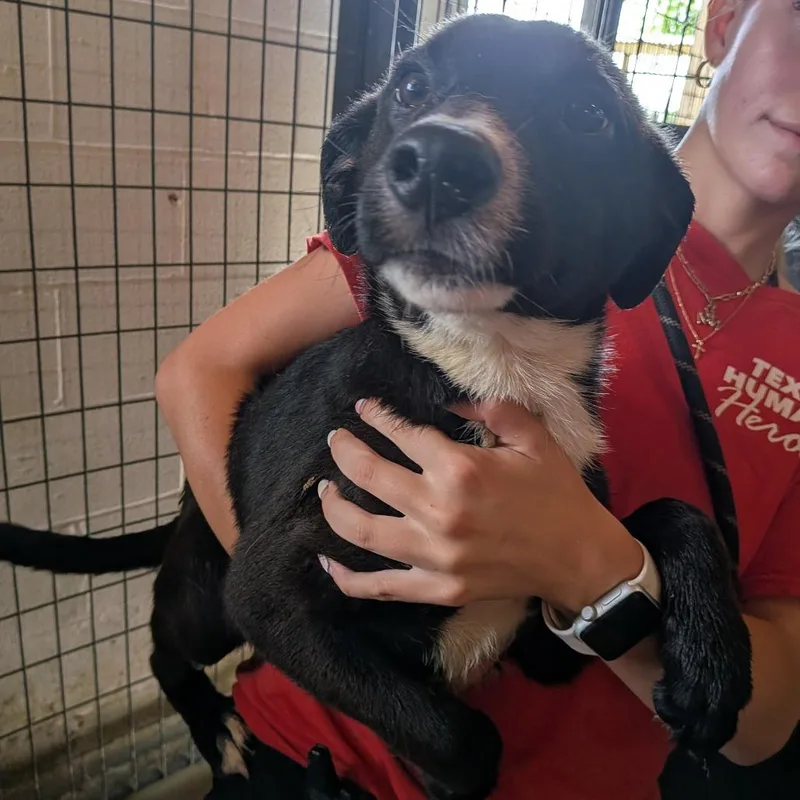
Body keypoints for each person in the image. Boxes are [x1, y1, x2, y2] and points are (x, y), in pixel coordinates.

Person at [155, 1, 800, 797]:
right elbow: (198, 375)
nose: (443, 153)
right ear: (727, 24)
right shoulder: (419, 276)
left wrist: (594, 566)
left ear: (645, 224)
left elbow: (763, 723)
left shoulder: (642, 252)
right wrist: (306, 599)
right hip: (319, 760)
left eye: (581, 115)